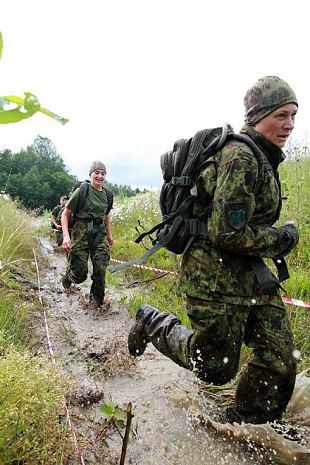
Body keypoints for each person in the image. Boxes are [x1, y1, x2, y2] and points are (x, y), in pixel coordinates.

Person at [128, 76, 300, 425]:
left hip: (250, 275)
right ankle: (152, 322)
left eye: (294, 115)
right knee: (214, 368)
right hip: (213, 276)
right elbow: (226, 234)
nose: (289, 125)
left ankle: (248, 425)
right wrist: (283, 238)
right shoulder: (242, 157)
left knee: (279, 357)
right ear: (257, 115)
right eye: (281, 115)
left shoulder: (264, 158)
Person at [61, 161, 114, 308]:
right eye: (96, 173)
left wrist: (109, 236)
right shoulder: (82, 191)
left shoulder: (108, 195)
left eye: (103, 173)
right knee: (80, 274)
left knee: (100, 268)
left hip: (100, 233)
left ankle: (96, 303)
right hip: (81, 231)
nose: (100, 176)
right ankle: (68, 277)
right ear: (90, 174)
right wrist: (66, 236)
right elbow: (65, 214)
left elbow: (106, 216)